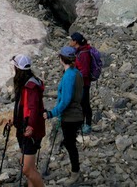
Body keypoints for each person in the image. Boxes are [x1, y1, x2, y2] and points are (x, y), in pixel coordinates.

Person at [3, 54, 46, 187]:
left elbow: (33, 108)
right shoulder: (27, 83)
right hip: (26, 128)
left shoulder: (29, 86)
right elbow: (22, 106)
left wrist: (31, 126)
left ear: (17, 68)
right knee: (30, 167)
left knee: (27, 169)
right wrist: (15, 119)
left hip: (30, 131)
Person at [47, 45, 88, 183]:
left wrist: (51, 113)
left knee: (70, 145)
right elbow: (80, 95)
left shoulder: (68, 76)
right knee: (70, 144)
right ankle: (75, 170)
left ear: (61, 59)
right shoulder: (77, 73)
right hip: (77, 114)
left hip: (70, 116)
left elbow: (65, 100)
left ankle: (75, 173)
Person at [68, 31, 100, 128]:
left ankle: (87, 124)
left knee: (85, 104)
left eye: (71, 40)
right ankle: (82, 123)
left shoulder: (83, 54)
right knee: (81, 104)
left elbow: (84, 72)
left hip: (83, 84)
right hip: (81, 83)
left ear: (75, 42)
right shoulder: (80, 51)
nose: (70, 42)